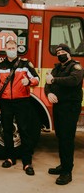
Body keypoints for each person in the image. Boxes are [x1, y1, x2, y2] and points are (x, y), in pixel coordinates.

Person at [0, 40, 39, 176]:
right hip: (5, 102)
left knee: (24, 130)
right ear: (5, 50)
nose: (11, 50)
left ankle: (27, 162)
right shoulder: (0, 66)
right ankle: (10, 158)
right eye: (9, 48)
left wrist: (29, 81)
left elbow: (37, 78)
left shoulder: (25, 64)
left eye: (13, 48)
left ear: (17, 49)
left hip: (22, 102)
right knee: (7, 131)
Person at [45, 44, 83, 185]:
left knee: (67, 139)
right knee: (60, 137)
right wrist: (49, 93)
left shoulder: (75, 67)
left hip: (70, 108)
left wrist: (53, 80)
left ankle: (67, 172)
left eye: (62, 51)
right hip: (59, 107)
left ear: (68, 53)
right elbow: (47, 84)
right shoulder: (56, 68)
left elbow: (74, 81)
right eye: (58, 52)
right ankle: (63, 165)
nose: (60, 53)